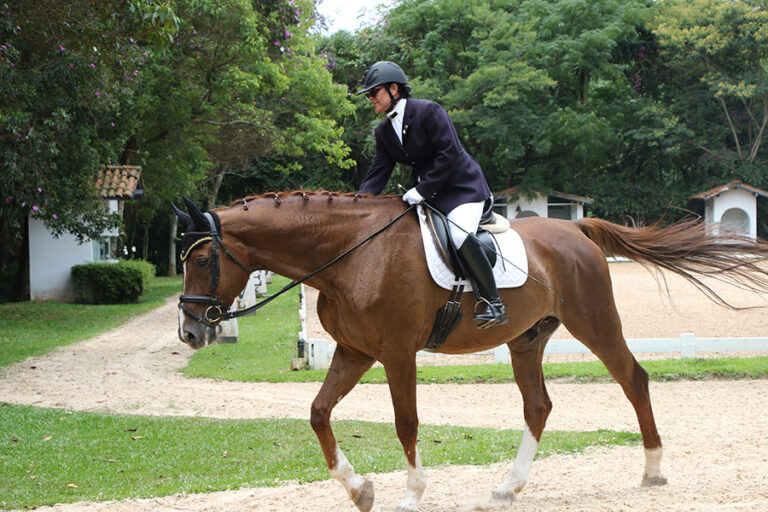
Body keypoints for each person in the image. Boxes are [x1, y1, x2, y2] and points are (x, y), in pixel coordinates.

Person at [356, 61, 507, 329]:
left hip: (463, 189)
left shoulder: (428, 111)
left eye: (373, 92)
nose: (370, 99)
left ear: (394, 89)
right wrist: (356, 207)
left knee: (459, 234)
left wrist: (422, 190)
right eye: (368, 95)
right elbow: (378, 173)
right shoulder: (383, 131)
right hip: (430, 196)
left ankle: (494, 303)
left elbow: (449, 153)